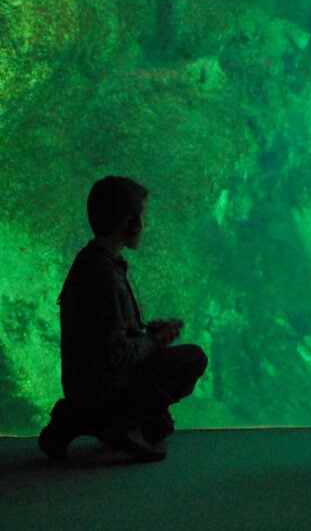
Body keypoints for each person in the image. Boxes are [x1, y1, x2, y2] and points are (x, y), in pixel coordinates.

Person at [38, 176, 208, 462]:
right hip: (105, 388)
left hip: (82, 385)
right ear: (131, 222)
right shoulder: (105, 277)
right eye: (143, 217)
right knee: (193, 358)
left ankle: (78, 416)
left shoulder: (92, 260)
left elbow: (101, 337)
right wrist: (154, 341)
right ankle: (120, 423)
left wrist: (145, 334)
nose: (145, 224)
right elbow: (117, 354)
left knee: (160, 426)